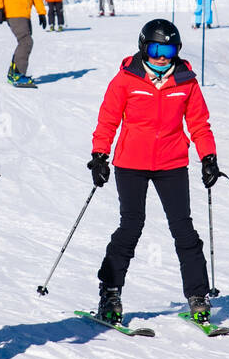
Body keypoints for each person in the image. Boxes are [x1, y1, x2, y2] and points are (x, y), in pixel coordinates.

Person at [88, 19, 221, 325]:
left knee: (183, 229)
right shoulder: (126, 79)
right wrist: (99, 156)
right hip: (131, 162)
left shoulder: (186, 81)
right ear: (144, 47)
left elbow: (199, 123)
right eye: (156, 48)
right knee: (131, 226)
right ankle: (110, 291)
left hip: (172, 163)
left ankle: (198, 296)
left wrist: (208, 158)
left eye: (169, 49)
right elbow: (108, 119)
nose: (162, 56)